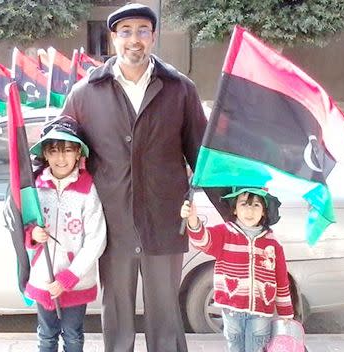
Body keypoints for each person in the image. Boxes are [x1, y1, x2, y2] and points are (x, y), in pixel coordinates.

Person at [61, 3, 209, 351]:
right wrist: (36, 201)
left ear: (153, 36)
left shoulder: (179, 89)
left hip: (164, 222)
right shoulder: (85, 93)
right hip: (111, 227)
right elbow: (63, 153)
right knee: (116, 320)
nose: (134, 40)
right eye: (125, 32)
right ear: (113, 38)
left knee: (166, 323)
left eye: (143, 31)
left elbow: (202, 155)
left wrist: (237, 208)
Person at [24, 115, 107, 352]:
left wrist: (69, 277)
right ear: (46, 154)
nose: (61, 158)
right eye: (54, 151)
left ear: (79, 153)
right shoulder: (35, 188)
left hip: (76, 281)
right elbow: (22, 227)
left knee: (72, 335)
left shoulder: (88, 189)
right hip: (44, 277)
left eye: (68, 150)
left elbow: (96, 239)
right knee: (46, 335)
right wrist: (33, 235)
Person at [180, 187, 294, 352]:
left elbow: (281, 279)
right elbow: (203, 241)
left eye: (256, 205)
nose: (249, 210)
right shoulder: (225, 233)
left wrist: (285, 313)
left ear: (264, 211)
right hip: (231, 311)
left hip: (261, 313)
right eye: (243, 204)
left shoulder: (273, 243)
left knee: (256, 347)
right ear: (234, 208)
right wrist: (192, 219)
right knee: (235, 347)